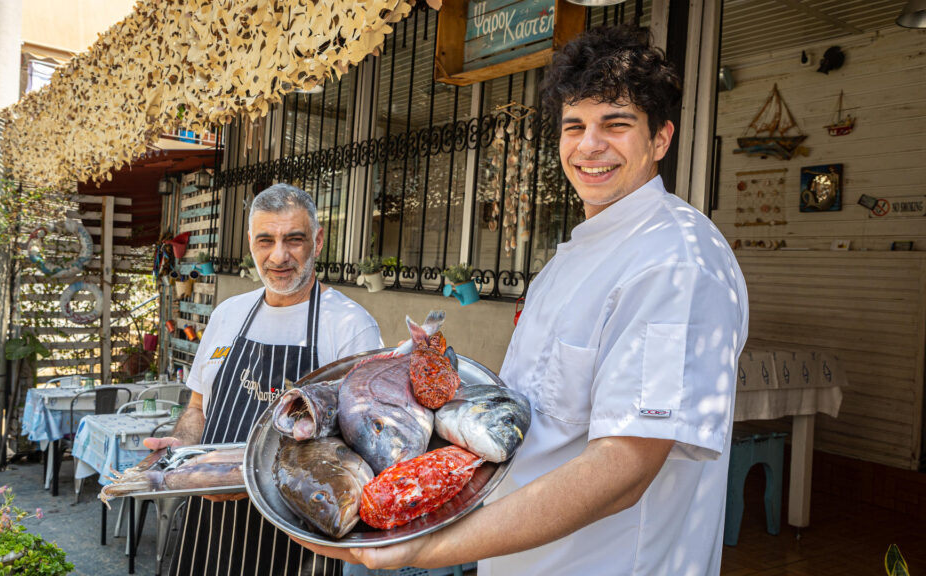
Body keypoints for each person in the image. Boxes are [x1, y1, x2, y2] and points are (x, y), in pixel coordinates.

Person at [297, 25, 749, 575]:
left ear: (661, 139)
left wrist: (428, 549)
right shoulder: (575, 255)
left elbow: (624, 469)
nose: (589, 145)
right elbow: (539, 411)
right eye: (575, 125)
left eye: (617, 124)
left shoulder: (675, 261)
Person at [144, 183, 383, 576]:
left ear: (318, 241)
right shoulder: (227, 314)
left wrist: (254, 478)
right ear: (251, 244)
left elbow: (362, 446)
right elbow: (198, 407)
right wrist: (182, 445)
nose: (278, 255)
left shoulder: (350, 327)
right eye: (265, 240)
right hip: (209, 521)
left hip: (296, 534)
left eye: (294, 239)